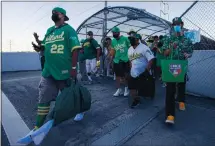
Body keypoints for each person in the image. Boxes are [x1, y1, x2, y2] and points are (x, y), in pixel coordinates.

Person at [30, 7, 85, 131]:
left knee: (70, 95)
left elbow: (75, 49)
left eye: (57, 13)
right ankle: (38, 126)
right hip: (48, 71)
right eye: (53, 13)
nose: (54, 14)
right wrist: (39, 48)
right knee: (44, 96)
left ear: (63, 16)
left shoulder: (69, 30)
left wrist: (73, 68)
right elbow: (44, 46)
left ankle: (81, 110)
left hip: (64, 71)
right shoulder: (49, 30)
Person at [162, 17, 193, 124]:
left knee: (181, 84)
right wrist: (171, 47)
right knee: (170, 90)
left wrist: (187, 54)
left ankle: (181, 101)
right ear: (172, 26)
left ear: (182, 25)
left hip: (182, 67)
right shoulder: (168, 39)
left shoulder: (187, 40)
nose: (176, 26)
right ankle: (170, 115)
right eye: (174, 24)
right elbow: (165, 53)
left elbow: (190, 52)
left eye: (178, 24)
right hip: (170, 67)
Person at [127, 32, 154, 108]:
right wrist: (130, 69)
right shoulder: (129, 49)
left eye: (132, 39)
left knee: (145, 90)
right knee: (132, 88)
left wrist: (147, 69)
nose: (130, 40)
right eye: (130, 39)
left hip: (143, 72)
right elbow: (130, 60)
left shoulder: (144, 47)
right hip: (133, 72)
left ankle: (148, 95)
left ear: (137, 39)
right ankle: (136, 100)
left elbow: (151, 59)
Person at [110, 27, 130, 97]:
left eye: (115, 32)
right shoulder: (113, 41)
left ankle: (126, 88)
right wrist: (111, 60)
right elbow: (113, 51)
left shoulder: (125, 39)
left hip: (125, 60)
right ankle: (119, 89)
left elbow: (130, 48)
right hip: (117, 60)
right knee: (117, 76)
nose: (114, 34)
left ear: (118, 33)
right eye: (113, 33)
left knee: (125, 76)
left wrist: (131, 59)